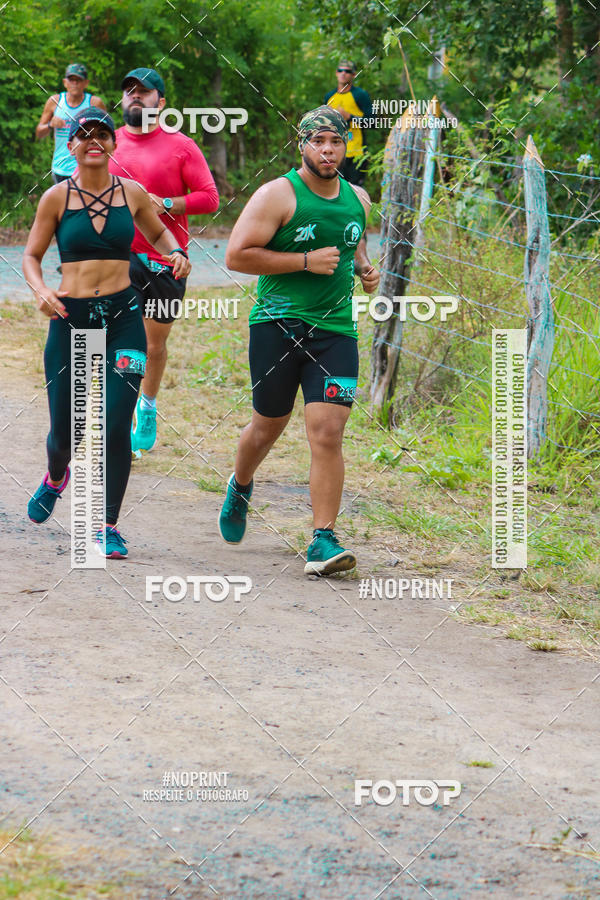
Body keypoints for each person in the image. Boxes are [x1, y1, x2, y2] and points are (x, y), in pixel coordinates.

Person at [219, 106, 379, 577]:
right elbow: (236, 255)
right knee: (267, 425)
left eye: (336, 142)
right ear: (302, 145)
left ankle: (322, 538)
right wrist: (304, 262)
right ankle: (240, 484)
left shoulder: (359, 198)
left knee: (328, 432)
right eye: (318, 141)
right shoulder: (277, 195)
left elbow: (353, 243)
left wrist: (364, 268)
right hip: (278, 325)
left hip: (335, 332)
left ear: (345, 146)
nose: (327, 150)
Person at [23, 108, 191, 558]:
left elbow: (159, 232)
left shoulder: (131, 193)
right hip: (71, 316)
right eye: (84, 134)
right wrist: (41, 290)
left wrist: (175, 253)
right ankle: (56, 475)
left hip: (122, 318)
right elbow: (32, 256)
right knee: (67, 431)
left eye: (102, 133)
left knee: (116, 424)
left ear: (114, 144)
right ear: (71, 145)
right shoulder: (56, 198)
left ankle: (107, 525)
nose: (93, 140)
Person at [108, 67, 219, 455]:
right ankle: (117, 420)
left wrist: (168, 203)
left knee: (154, 345)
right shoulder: (107, 143)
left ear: (161, 102)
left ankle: (148, 406)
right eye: (129, 91)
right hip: (119, 258)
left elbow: (209, 197)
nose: (135, 96)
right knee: (125, 341)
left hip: (166, 259)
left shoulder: (181, 146)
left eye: (144, 91)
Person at [36, 63, 106, 184]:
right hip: (60, 168)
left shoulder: (94, 103)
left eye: (78, 80)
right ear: (65, 82)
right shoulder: (55, 101)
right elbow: (39, 133)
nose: (75, 83)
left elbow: (107, 135)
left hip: (86, 166)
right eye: (71, 80)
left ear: (86, 83)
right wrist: (50, 125)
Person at [324, 60, 372, 186]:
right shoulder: (329, 96)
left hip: (356, 152)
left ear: (353, 75)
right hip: (335, 153)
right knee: (334, 188)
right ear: (336, 73)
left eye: (347, 71)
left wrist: (350, 117)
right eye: (340, 70)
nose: (343, 73)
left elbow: (372, 122)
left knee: (354, 189)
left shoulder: (360, 95)